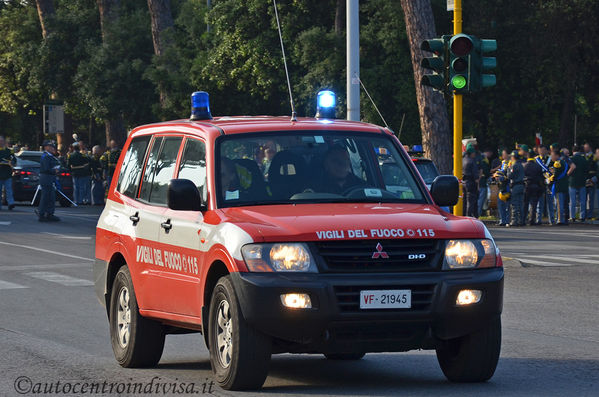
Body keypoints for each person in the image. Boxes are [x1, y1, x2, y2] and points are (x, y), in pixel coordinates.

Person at [37, 141, 60, 222]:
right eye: (50, 147)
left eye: (53, 147)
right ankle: (42, 213)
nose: (52, 148)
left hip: (49, 178)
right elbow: (46, 168)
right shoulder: (46, 156)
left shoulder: (50, 156)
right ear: (46, 147)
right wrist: (55, 170)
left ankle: (49, 213)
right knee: (46, 196)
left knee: (51, 197)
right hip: (46, 178)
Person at [523, 149, 544, 225]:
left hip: (526, 186)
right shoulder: (537, 166)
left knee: (525, 203)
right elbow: (541, 177)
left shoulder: (524, 165)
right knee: (534, 204)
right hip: (535, 186)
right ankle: (532, 220)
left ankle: (523, 219)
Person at [549, 149, 569, 225]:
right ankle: (563, 218)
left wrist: (550, 178)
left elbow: (556, 175)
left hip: (559, 185)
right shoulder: (563, 162)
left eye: (552, 155)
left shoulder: (557, 163)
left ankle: (560, 219)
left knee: (559, 203)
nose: (551, 157)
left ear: (557, 155)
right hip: (564, 185)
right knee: (563, 203)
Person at [568, 145, 587, 222]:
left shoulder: (571, 159)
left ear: (573, 151)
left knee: (572, 201)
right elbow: (586, 170)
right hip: (582, 181)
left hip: (572, 182)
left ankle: (572, 216)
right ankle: (582, 216)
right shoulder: (583, 159)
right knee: (582, 200)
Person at [507, 150, 525, 226]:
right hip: (522, 185)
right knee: (520, 204)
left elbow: (510, 176)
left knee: (514, 204)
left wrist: (508, 169)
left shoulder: (514, 166)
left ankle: (514, 221)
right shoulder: (521, 165)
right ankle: (521, 220)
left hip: (516, 186)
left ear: (513, 157)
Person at [494, 149, 511, 226]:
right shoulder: (503, 162)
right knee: (500, 203)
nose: (502, 156)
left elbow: (506, 174)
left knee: (507, 204)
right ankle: (502, 219)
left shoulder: (510, 163)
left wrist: (500, 176)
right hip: (501, 185)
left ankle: (507, 220)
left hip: (507, 185)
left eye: (504, 154)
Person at [462, 145, 480, 218]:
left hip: (463, 183)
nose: (474, 154)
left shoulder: (462, 160)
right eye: (473, 152)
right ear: (471, 153)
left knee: (464, 201)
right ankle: (469, 215)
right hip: (471, 183)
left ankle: (463, 215)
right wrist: (477, 183)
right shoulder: (472, 161)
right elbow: (476, 175)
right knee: (471, 201)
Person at [0, 135, 16, 210]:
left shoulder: (9, 151)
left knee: (9, 189)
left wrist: (12, 162)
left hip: (7, 173)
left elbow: (13, 159)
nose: (1, 142)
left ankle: (11, 203)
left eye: (2, 141)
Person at [583, 143, 596, 220]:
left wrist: (594, 179)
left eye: (587, 147)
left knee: (591, 199)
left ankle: (590, 214)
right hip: (584, 180)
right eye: (584, 148)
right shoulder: (583, 157)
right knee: (583, 199)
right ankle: (584, 214)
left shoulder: (594, 157)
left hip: (592, 179)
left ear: (590, 148)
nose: (585, 149)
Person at [477, 150, 492, 217]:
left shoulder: (476, 161)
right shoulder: (484, 163)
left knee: (478, 199)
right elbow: (486, 172)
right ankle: (478, 213)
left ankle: (477, 213)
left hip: (478, 183)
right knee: (481, 200)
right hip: (482, 183)